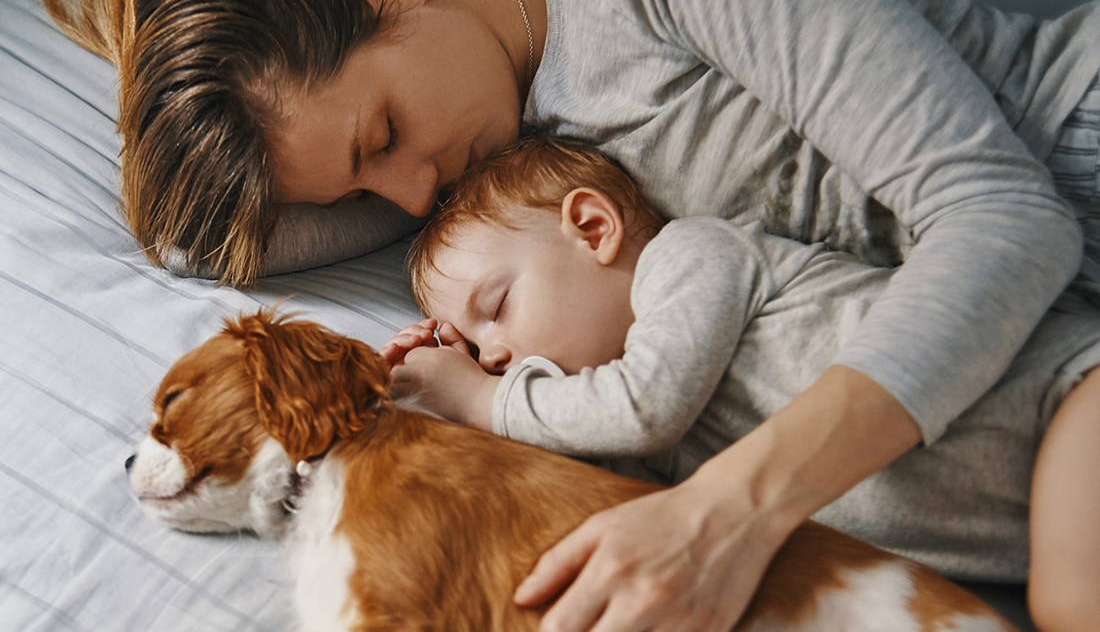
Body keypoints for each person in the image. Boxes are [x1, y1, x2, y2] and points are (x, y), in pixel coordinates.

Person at [12, 0, 1100, 629]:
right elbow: (199, 238)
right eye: (358, 191)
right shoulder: (496, 177)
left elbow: (1003, 217)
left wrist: (728, 510)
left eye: (380, 139)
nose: (401, 197)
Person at [383, 135, 1100, 631]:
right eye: (477, 349)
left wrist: (476, 395)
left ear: (594, 228)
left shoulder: (692, 257)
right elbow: (569, 447)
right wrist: (439, 391)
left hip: (1071, 392)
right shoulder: (643, 452)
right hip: (1025, 523)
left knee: (1071, 609)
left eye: (497, 309)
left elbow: (641, 407)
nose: (497, 357)